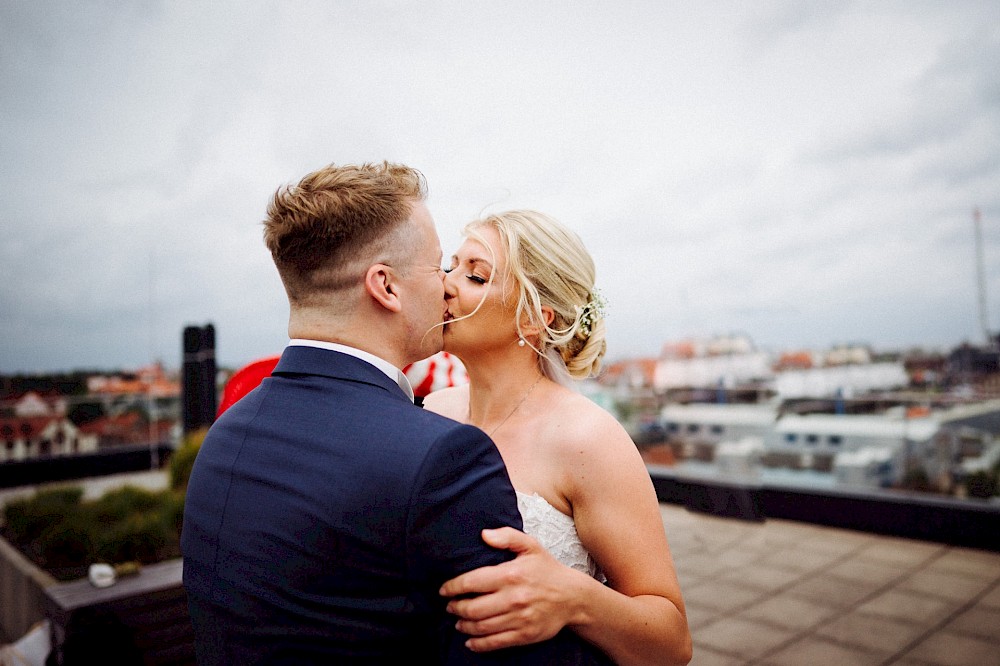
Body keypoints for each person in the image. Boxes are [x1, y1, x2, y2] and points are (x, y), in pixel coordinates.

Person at [180, 164, 608, 664]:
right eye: (437, 266)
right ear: (385, 286)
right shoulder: (442, 455)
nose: (446, 285)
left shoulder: (226, 437)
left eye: (467, 272)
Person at [426, 210, 693, 665]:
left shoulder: (586, 439)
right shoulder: (433, 409)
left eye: (475, 275)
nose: (446, 284)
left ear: (533, 319)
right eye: (451, 266)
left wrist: (574, 598)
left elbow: (672, 643)